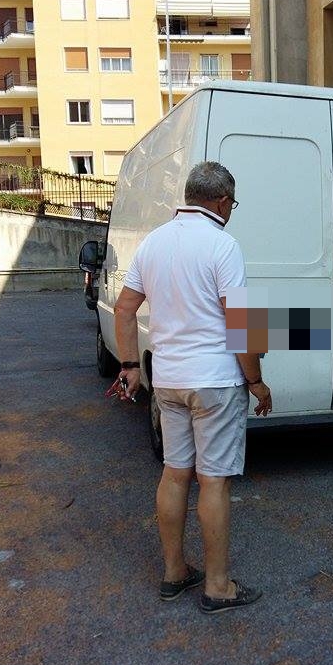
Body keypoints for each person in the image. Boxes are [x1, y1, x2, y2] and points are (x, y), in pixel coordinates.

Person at [114, 161, 272, 614]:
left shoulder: (153, 242)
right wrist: (256, 381)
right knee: (213, 481)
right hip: (215, 383)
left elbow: (124, 309)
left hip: (168, 381)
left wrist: (130, 366)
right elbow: (242, 325)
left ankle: (174, 572)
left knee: (174, 473)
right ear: (221, 202)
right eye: (232, 204)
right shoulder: (223, 246)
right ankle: (218, 586)